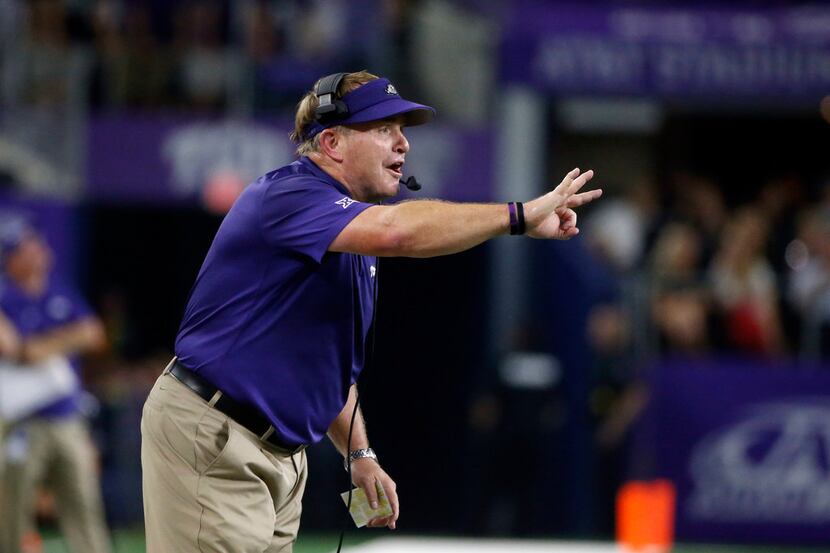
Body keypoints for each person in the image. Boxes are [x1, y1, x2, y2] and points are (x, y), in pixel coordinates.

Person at [140, 70, 603, 553]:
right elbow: (398, 231)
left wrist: (358, 452)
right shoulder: (288, 195)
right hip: (218, 435)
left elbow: (329, 363)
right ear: (333, 141)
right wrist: (517, 216)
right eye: (384, 129)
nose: (403, 144)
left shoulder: (350, 235)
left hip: (279, 455)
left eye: (403, 130)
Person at [0, 219, 111, 553]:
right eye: (26, 248)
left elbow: (93, 334)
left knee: (83, 501)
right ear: (11, 258)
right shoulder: (6, 295)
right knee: (14, 506)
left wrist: (44, 347)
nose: (37, 252)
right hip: (21, 421)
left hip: (65, 416)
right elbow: (13, 349)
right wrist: (67, 338)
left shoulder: (58, 289)